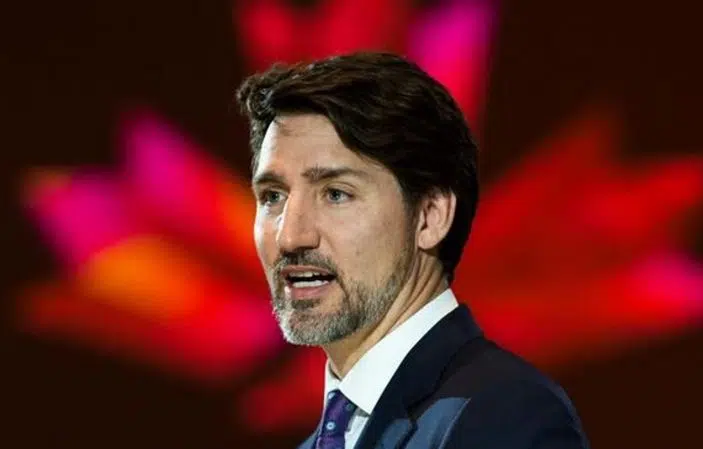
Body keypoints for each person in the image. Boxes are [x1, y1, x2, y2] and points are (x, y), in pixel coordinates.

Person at [236, 52, 589, 449]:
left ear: (430, 217)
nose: (290, 237)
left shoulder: (504, 415)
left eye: (335, 194)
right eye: (273, 196)